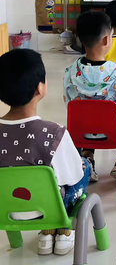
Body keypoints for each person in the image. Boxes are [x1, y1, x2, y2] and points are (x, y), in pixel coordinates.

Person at [0, 49, 90, 257]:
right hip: (47, 210)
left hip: (5, 209)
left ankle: (47, 234)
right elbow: (73, 177)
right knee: (83, 168)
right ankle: (61, 229)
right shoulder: (53, 133)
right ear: (40, 88)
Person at [64, 11, 116, 183]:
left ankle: (87, 157)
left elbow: (69, 102)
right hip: (115, 130)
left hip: (81, 130)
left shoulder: (70, 71)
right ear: (106, 40)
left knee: (89, 118)